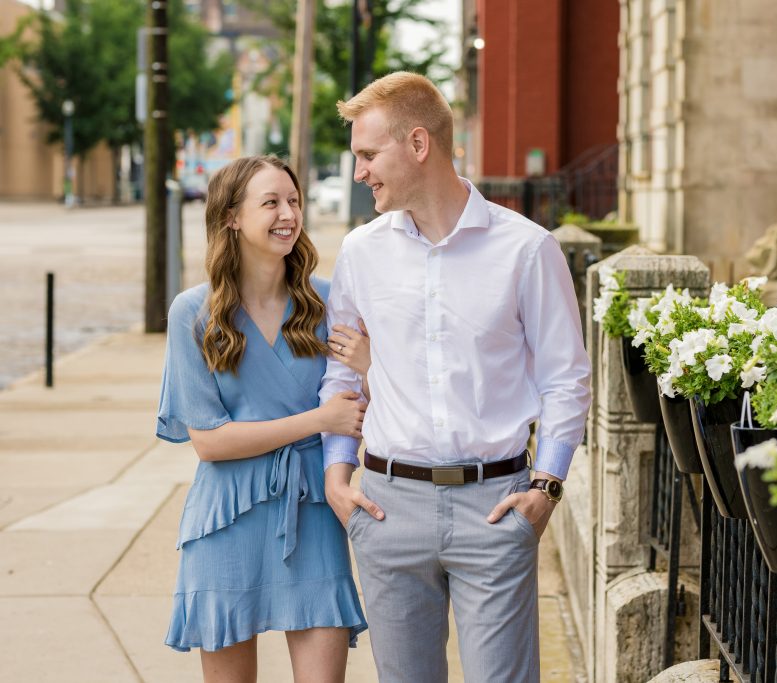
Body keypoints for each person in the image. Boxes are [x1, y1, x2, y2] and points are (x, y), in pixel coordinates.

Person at [320, 72, 592, 683]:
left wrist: (546, 488)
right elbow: (342, 372)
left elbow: (565, 378)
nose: (359, 172)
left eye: (368, 154)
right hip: (387, 509)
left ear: (419, 144)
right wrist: (338, 475)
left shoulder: (527, 250)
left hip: (494, 509)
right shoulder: (361, 254)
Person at [156, 155, 368, 682]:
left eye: (293, 201)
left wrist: (371, 366)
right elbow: (209, 442)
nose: (288, 214)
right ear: (231, 216)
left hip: (313, 512)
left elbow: (367, 405)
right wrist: (318, 420)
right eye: (270, 202)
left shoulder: (327, 302)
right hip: (226, 520)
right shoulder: (194, 313)